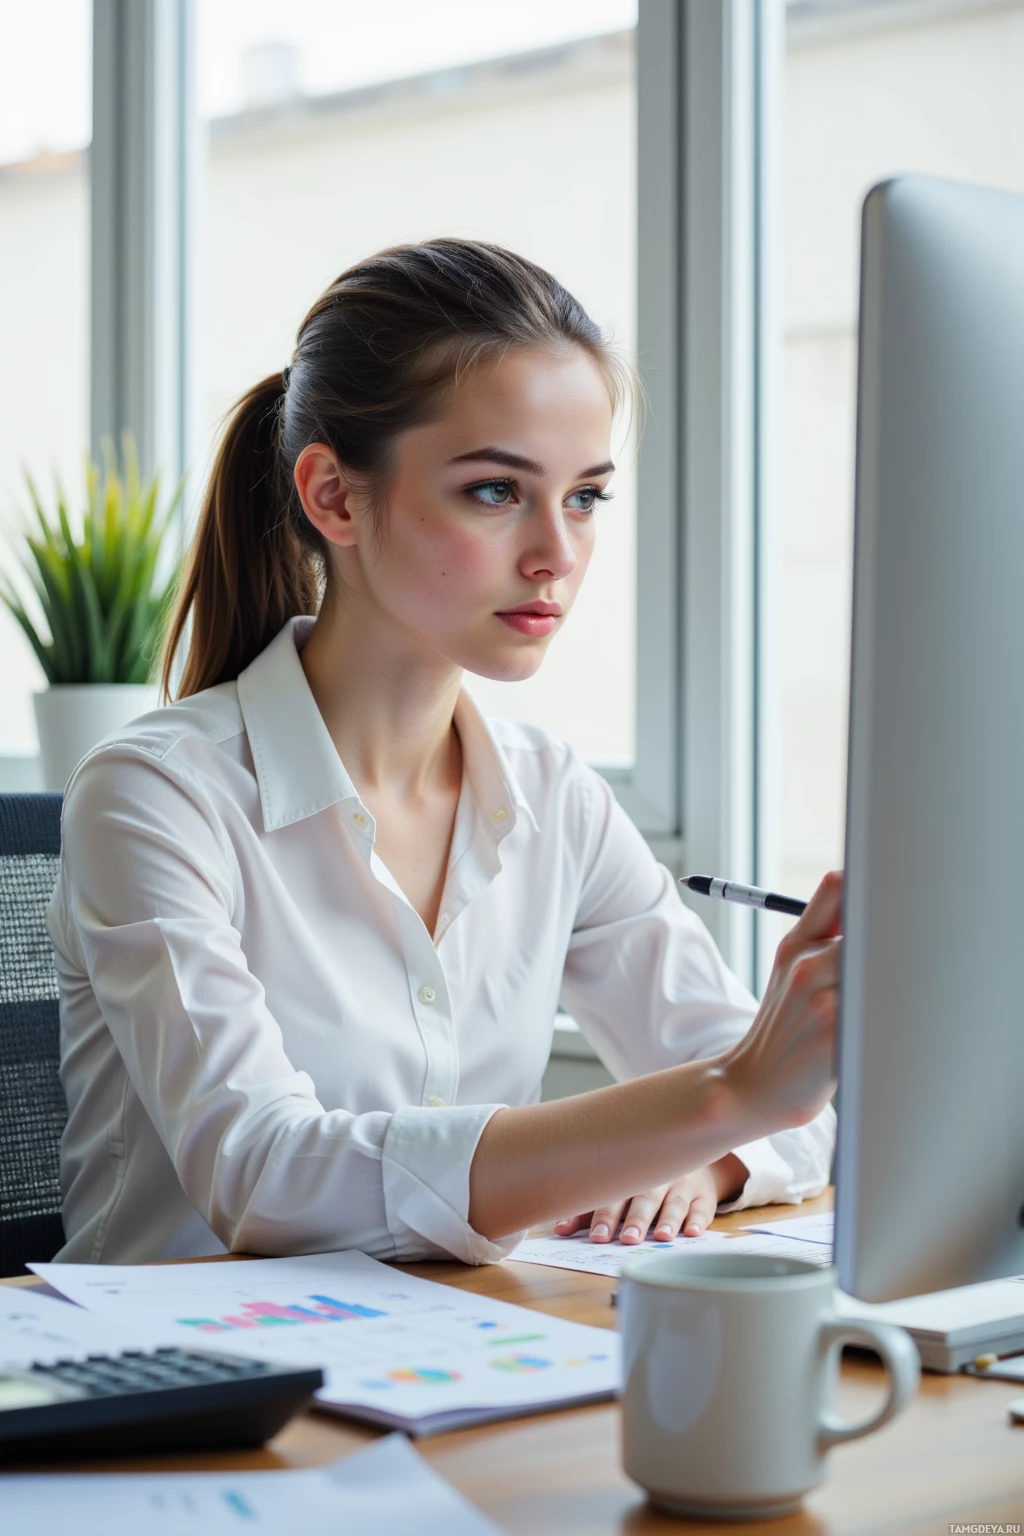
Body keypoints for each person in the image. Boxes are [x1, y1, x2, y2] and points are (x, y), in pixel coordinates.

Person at [47, 239, 839, 1266]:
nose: (557, 550)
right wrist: (721, 1102)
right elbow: (264, 1178)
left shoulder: (555, 796)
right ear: (334, 497)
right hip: (178, 1400)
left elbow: (795, 1110)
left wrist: (712, 1156)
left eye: (587, 496)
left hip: (452, 1366)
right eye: (496, 492)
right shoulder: (154, 795)